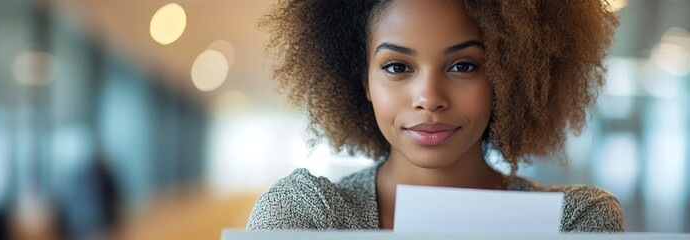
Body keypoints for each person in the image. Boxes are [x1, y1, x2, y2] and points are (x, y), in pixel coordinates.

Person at [247, 0, 622, 232]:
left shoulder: (573, 221)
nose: (429, 98)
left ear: (508, 76)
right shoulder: (304, 216)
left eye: (463, 66)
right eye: (396, 67)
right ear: (364, 81)